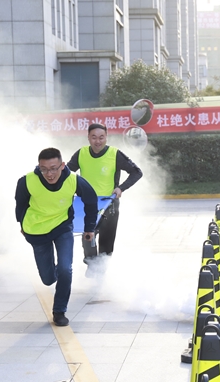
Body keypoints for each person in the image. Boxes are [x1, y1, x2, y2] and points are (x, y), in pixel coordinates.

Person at [15, 148, 97, 326]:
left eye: (53, 168)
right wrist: (22, 225)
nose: (49, 174)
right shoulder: (27, 181)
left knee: (65, 269)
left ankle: (59, 311)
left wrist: (89, 228)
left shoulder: (73, 180)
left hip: (62, 227)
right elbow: (20, 205)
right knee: (48, 279)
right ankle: (55, 274)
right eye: (44, 169)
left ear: (62, 165)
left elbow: (91, 200)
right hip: (37, 230)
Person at [67, 123, 142, 263]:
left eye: (101, 137)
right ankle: (91, 265)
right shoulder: (81, 153)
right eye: (94, 137)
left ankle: (100, 271)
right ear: (88, 137)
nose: (98, 141)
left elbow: (137, 172)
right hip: (87, 206)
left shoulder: (115, 154)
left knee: (105, 249)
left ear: (106, 137)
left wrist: (121, 188)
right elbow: (67, 174)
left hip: (109, 206)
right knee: (88, 241)